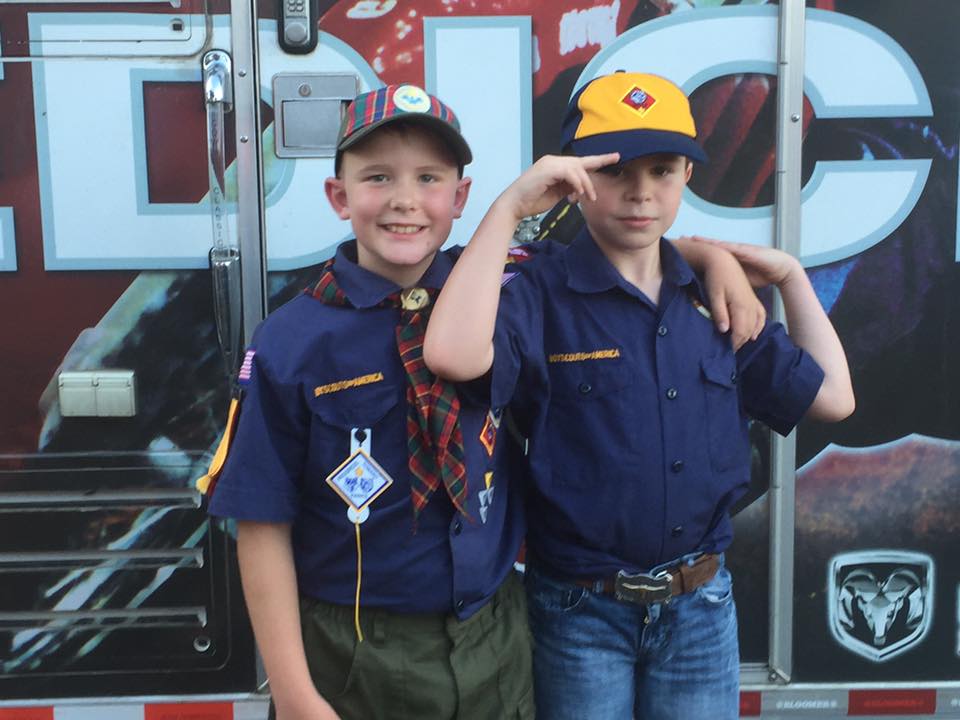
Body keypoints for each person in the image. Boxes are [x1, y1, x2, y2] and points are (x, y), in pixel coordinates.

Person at [197, 83, 765, 720]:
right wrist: (294, 693)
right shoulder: (290, 342)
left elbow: (623, 253)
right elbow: (260, 521)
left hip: (494, 642)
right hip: (355, 650)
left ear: (460, 197)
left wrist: (710, 259)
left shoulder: (503, 286)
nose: (405, 200)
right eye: (378, 177)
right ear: (339, 196)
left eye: (429, 178)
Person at [423, 72, 855, 720]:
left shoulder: (715, 299)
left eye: (662, 170)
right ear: (575, 177)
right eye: (616, 169)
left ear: (687, 174)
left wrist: (791, 276)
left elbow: (833, 400)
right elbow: (454, 356)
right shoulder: (537, 291)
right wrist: (511, 207)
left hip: (700, 608)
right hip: (578, 612)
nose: (641, 191)